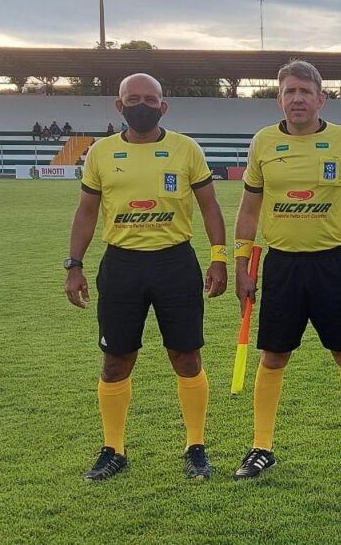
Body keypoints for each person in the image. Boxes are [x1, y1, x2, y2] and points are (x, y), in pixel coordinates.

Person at [65, 73, 228, 482]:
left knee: (187, 356)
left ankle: (196, 448)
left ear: (163, 106)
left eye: (150, 99)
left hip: (175, 263)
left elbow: (210, 207)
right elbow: (86, 212)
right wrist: (74, 265)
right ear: (119, 106)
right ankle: (113, 449)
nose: (142, 105)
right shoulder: (101, 153)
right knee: (116, 360)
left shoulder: (186, 149)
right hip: (121, 265)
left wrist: (219, 259)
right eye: (133, 99)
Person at [232, 60, 341, 479]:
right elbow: (248, 208)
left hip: (330, 263)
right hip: (281, 265)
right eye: (289, 92)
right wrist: (242, 265)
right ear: (279, 98)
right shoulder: (263, 142)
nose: (297, 99)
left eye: (305, 91)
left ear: (321, 97)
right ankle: (261, 447)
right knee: (273, 356)